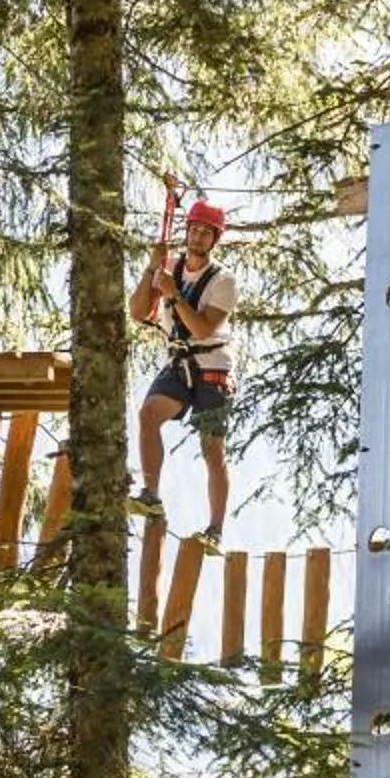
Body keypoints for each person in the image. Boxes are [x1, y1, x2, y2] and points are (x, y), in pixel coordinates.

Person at [131, 198, 237, 549]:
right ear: (187, 232)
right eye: (194, 230)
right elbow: (137, 311)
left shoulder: (223, 281)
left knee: (212, 450)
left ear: (214, 240)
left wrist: (174, 295)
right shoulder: (168, 268)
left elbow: (203, 329)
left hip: (212, 369)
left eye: (206, 233)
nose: (198, 237)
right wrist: (151, 268)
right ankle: (150, 491)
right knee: (148, 415)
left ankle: (216, 530)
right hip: (179, 364)